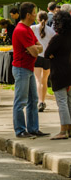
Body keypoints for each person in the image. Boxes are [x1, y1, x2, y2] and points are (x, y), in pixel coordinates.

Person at [12, 2, 48, 138]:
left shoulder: (28, 29)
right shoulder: (21, 30)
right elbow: (35, 51)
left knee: (33, 100)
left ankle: (33, 128)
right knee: (20, 101)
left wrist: (35, 48)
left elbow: (40, 47)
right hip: (21, 69)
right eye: (34, 13)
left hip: (28, 69)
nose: (36, 15)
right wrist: (34, 48)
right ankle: (20, 130)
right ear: (28, 15)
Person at [44, 10, 71, 139]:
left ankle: (63, 130)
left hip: (59, 72)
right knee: (69, 101)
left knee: (62, 102)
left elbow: (46, 53)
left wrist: (52, 55)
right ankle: (69, 129)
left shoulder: (57, 38)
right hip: (69, 71)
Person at [31, 11, 55, 113]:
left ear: (37, 19)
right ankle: (43, 100)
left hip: (37, 56)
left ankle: (38, 101)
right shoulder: (51, 31)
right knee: (44, 80)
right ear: (47, 19)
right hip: (47, 57)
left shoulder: (33, 28)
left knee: (37, 79)